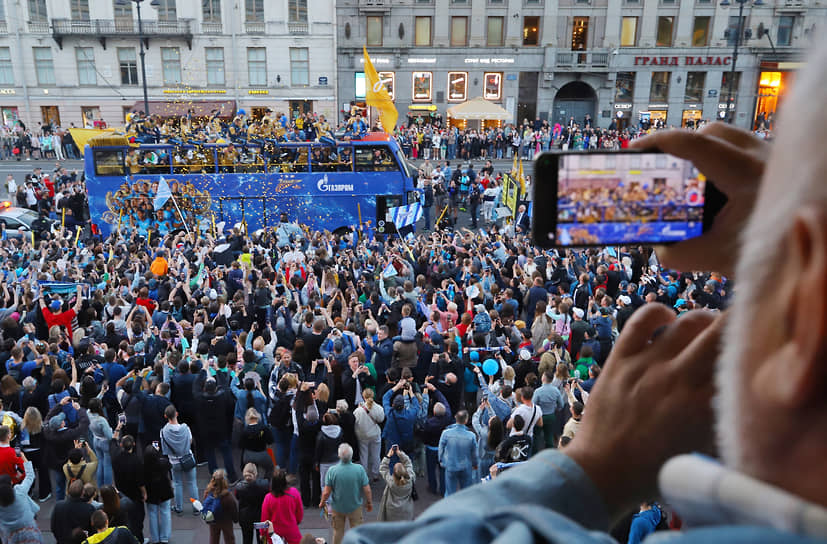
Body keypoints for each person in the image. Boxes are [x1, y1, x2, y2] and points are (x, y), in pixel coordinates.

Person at [319, 443, 371, 544]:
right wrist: (369, 502)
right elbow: (367, 490)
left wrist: (322, 502)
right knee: (357, 532)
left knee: (338, 531)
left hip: (338, 507)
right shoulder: (359, 469)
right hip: (355, 506)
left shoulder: (332, 470)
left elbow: (326, 492)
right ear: (351, 456)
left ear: (339, 456)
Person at [159, 405, 198, 516]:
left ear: (165, 416)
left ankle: (178, 507)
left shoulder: (163, 431)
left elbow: (164, 448)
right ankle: (196, 508)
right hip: (187, 458)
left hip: (174, 461)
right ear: (177, 414)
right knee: (192, 483)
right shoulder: (185, 428)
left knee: (177, 484)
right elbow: (190, 441)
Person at [0, 454, 41, 544]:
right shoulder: (19, 492)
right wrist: (23, 456)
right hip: (30, 535)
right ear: (11, 483)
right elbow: (30, 475)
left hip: (10, 538)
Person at [438, 410, 478, 497]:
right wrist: (475, 464)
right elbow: (474, 453)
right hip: (466, 466)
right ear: (466, 420)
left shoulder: (446, 433)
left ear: (456, 418)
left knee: (449, 492)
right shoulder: (471, 436)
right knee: (465, 492)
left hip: (450, 465)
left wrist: (441, 460)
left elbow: (441, 449)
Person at [260, 468, 303, 544]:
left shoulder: (268, 497)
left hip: (274, 530)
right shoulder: (294, 493)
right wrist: (297, 521)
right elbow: (299, 511)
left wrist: (262, 533)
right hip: (291, 528)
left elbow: (265, 518)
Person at [143, 442, 173, 544]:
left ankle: (155, 538)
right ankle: (164, 537)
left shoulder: (143, 466)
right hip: (164, 490)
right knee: (165, 513)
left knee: (152, 514)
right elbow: (169, 466)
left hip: (150, 492)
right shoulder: (163, 462)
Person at [50, 479, 96, 544]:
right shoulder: (89, 509)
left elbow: (53, 527)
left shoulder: (58, 506)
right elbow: (93, 530)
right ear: (83, 492)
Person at [353, 389, 384, 482]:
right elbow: (381, 420)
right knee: (376, 455)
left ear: (363, 396)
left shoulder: (358, 410)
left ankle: (364, 475)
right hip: (375, 434)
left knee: (363, 456)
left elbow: (355, 422)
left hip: (363, 435)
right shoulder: (379, 408)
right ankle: (375, 474)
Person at [235, 463, 270, 544]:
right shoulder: (265, 485)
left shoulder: (239, 487)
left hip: (245, 518)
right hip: (260, 518)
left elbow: (237, 497)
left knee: (246, 539)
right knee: (262, 539)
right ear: (256, 473)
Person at [377, 446, 414, 522]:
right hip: (406, 509)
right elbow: (408, 463)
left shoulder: (391, 482)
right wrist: (400, 454)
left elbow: (383, 468)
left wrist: (388, 456)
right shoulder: (410, 479)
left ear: (393, 474)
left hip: (392, 509)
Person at [204, 469, 239, 544]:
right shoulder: (227, 496)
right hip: (226, 520)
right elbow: (233, 508)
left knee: (213, 538)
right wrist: (235, 519)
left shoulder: (209, 491)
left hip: (213, 519)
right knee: (229, 538)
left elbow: (205, 503)